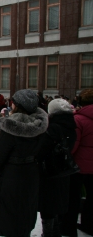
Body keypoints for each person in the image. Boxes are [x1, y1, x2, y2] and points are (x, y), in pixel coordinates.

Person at [0, 89, 49, 237]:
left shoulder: (11, 126)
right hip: (31, 173)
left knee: (10, 212)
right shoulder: (41, 125)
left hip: (11, 175)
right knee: (26, 209)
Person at [36, 99, 77, 237]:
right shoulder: (71, 125)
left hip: (49, 171)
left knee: (48, 206)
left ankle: (49, 233)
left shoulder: (53, 127)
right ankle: (56, 231)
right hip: (64, 170)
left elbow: (42, 150)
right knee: (58, 204)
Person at [60, 88, 93, 236]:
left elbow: (74, 145)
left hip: (79, 166)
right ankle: (90, 224)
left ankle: (68, 227)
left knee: (73, 198)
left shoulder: (78, 119)